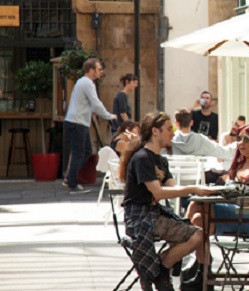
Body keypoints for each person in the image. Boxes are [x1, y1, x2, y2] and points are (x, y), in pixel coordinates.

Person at [119, 112, 216, 290]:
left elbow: (172, 189)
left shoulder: (161, 160)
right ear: (155, 131)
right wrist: (193, 188)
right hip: (139, 218)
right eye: (169, 129)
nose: (173, 133)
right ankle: (160, 272)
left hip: (156, 215)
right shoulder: (142, 158)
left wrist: (205, 192)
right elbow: (159, 192)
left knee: (198, 235)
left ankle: (159, 269)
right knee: (196, 236)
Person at [63, 58, 117, 194]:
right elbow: (96, 103)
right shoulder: (87, 83)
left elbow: (91, 105)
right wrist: (109, 116)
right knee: (79, 153)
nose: (101, 72)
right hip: (77, 122)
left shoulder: (83, 82)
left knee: (86, 150)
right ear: (91, 70)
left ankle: (70, 178)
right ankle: (72, 184)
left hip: (79, 122)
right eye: (99, 69)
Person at [171, 108, 237, 159]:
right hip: (195, 175)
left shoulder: (170, 141)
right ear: (191, 123)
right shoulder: (200, 140)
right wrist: (238, 144)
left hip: (175, 175)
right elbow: (223, 152)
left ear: (176, 123)